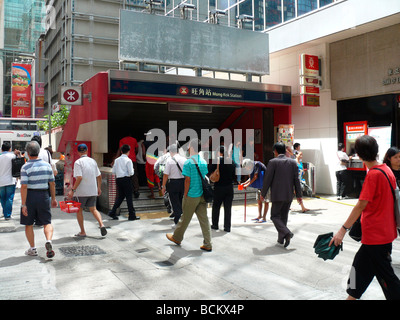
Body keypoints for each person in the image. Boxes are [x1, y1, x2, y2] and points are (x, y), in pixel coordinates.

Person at [330, 135, 400, 300]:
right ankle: (351, 297)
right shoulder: (386, 170)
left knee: (388, 280)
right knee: (358, 272)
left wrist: (342, 230)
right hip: (380, 236)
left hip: (376, 237)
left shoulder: (373, 175)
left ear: (359, 155)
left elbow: (361, 205)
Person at [166, 139, 212, 252]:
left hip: (192, 194)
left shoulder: (188, 162)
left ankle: (176, 237)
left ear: (192, 148)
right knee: (204, 220)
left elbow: (187, 180)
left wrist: (185, 194)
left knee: (185, 218)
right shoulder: (203, 162)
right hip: (202, 195)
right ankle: (208, 243)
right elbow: (205, 177)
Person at [20, 141, 58, 258]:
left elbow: (24, 186)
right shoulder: (47, 166)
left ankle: (33, 248)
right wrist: (53, 199)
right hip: (44, 195)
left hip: (30, 196)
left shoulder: (25, 167)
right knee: (47, 222)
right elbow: (52, 183)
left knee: (29, 223)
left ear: (27, 153)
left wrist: (23, 204)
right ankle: (49, 241)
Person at [261, 142, 302, 248]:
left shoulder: (273, 162)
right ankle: (281, 239)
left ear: (275, 151)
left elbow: (267, 180)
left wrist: (263, 194)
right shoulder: (292, 162)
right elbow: (296, 180)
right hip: (289, 194)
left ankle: (287, 233)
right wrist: (299, 195)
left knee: (274, 216)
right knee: (283, 217)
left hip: (277, 194)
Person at [67, 143, 107, 237]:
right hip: (92, 190)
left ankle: (82, 231)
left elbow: (79, 177)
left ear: (78, 152)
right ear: (87, 151)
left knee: (79, 210)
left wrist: (72, 190)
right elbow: (99, 176)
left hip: (82, 192)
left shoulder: (78, 162)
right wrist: (99, 187)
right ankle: (101, 224)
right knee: (93, 209)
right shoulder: (93, 161)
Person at [108, 144, 140, 221]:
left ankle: (112, 212)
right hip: (126, 179)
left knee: (120, 197)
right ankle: (131, 215)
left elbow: (114, 171)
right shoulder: (128, 160)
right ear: (128, 152)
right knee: (129, 198)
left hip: (118, 180)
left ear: (121, 151)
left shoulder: (117, 160)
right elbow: (131, 173)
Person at [210, 146, 236, 232]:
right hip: (229, 187)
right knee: (228, 208)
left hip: (219, 187)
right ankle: (227, 227)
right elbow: (234, 176)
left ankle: (215, 225)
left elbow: (209, 170)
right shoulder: (232, 162)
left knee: (216, 206)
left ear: (219, 153)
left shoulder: (217, 161)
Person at [162, 144, 186, 225]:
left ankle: (177, 219)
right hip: (183, 182)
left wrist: (163, 186)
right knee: (180, 199)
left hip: (173, 183)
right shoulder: (184, 159)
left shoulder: (169, 160)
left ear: (171, 151)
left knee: (174, 202)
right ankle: (180, 216)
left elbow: (165, 175)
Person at [241, 159, 269, 223]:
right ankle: (259, 216)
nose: (247, 169)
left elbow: (255, 177)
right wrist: (244, 183)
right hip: (259, 185)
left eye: (247, 167)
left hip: (265, 185)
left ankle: (264, 218)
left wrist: (247, 185)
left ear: (249, 164)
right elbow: (251, 178)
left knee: (266, 201)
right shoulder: (252, 167)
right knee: (259, 200)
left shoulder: (257, 165)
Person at [0, 142, 17, 220]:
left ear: (1, 149)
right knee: (9, 198)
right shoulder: (12, 156)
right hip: (10, 180)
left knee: (2, 198)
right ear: (10, 149)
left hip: (1, 181)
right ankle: (7, 215)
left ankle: (5, 212)